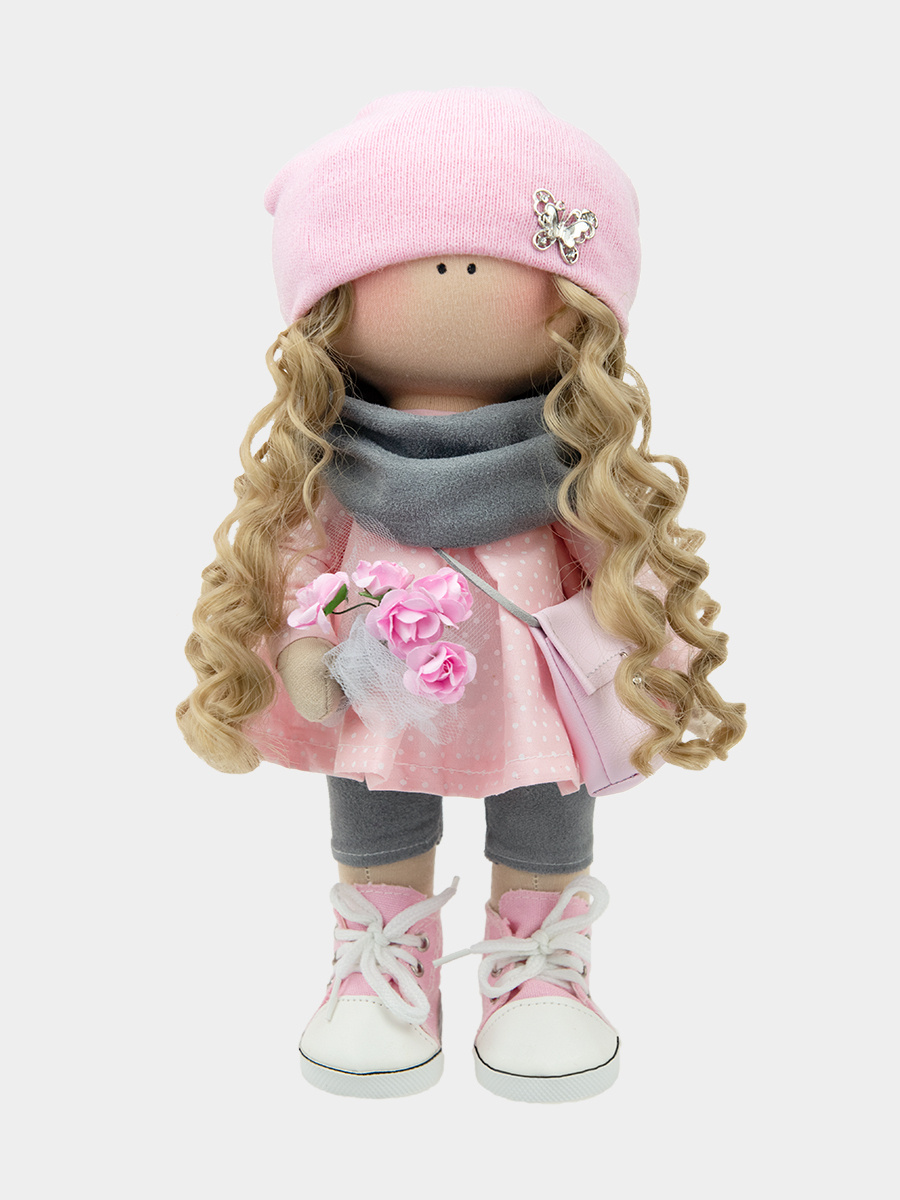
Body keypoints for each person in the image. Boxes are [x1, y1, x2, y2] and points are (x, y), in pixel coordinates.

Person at [177, 88, 746, 1102]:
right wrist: (305, 646)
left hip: (535, 688)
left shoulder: (571, 460)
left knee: (545, 796)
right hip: (380, 678)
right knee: (375, 787)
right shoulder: (333, 457)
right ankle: (380, 954)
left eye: (488, 251)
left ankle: (540, 968)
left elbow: (618, 561)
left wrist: (646, 641)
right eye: (417, 250)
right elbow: (300, 560)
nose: (456, 271)